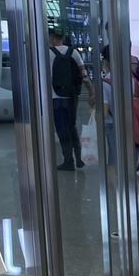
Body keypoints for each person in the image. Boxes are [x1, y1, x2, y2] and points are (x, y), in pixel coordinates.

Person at [49, 29, 91, 171]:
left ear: (52, 37)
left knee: (61, 129)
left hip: (55, 97)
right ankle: (79, 159)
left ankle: (68, 161)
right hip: (72, 96)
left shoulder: (48, 53)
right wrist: (91, 91)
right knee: (71, 126)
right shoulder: (73, 52)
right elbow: (84, 75)